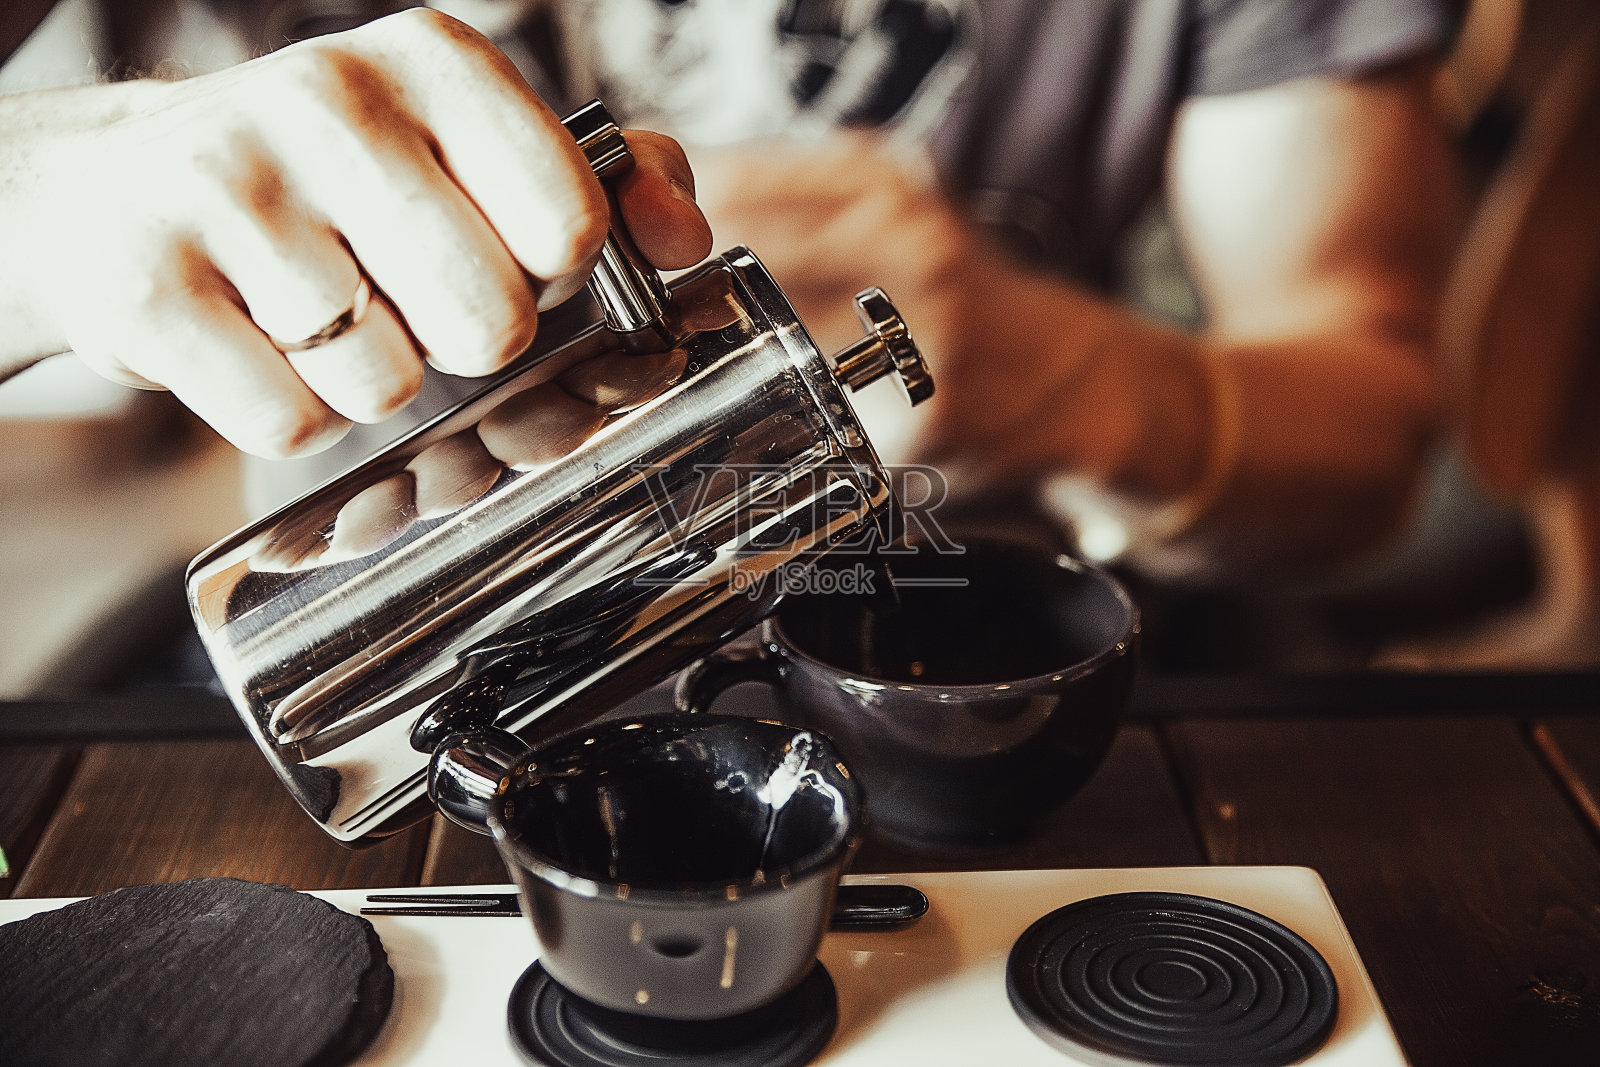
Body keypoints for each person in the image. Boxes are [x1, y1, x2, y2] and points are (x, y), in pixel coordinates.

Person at [0, 0, 1460, 585]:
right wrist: (47, 184)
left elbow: (1370, 440)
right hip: (353, 663)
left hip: (982, 683)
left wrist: (1073, 380)